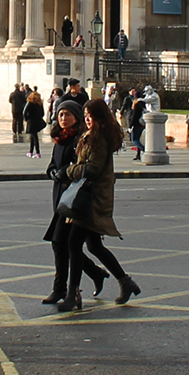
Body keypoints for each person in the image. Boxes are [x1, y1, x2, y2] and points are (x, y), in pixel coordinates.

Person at [58, 99, 141, 312]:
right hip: (89, 196)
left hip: (91, 198)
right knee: (93, 246)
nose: (87, 118)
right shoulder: (93, 136)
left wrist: (70, 170)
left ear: (99, 116)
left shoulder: (98, 139)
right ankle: (125, 282)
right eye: (85, 114)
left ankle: (73, 294)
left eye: (90, 115)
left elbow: (92, 169)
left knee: (73, 243)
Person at [42, 99, 109, 305]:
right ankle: (96, 275)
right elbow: (54, 164)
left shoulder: (79, 139)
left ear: (76, 117)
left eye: (68, 115)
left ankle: (64, 289)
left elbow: (82, 168)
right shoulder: (59, 138)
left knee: (62, 243)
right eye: (61, 115)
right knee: (68, 245)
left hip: (75, 199)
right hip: (61, 197)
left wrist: (64, 173)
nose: (63, 119)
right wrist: (52, 171)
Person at [24, 90, 47, 158]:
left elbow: (24, 112)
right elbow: (42, 113)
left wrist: (26, 118)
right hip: (37, 121)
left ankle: (37, 152)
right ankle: (31, 151)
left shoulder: (29, 103)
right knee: (33, 136)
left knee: (34, 137)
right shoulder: (39, 103)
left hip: (31, 121)